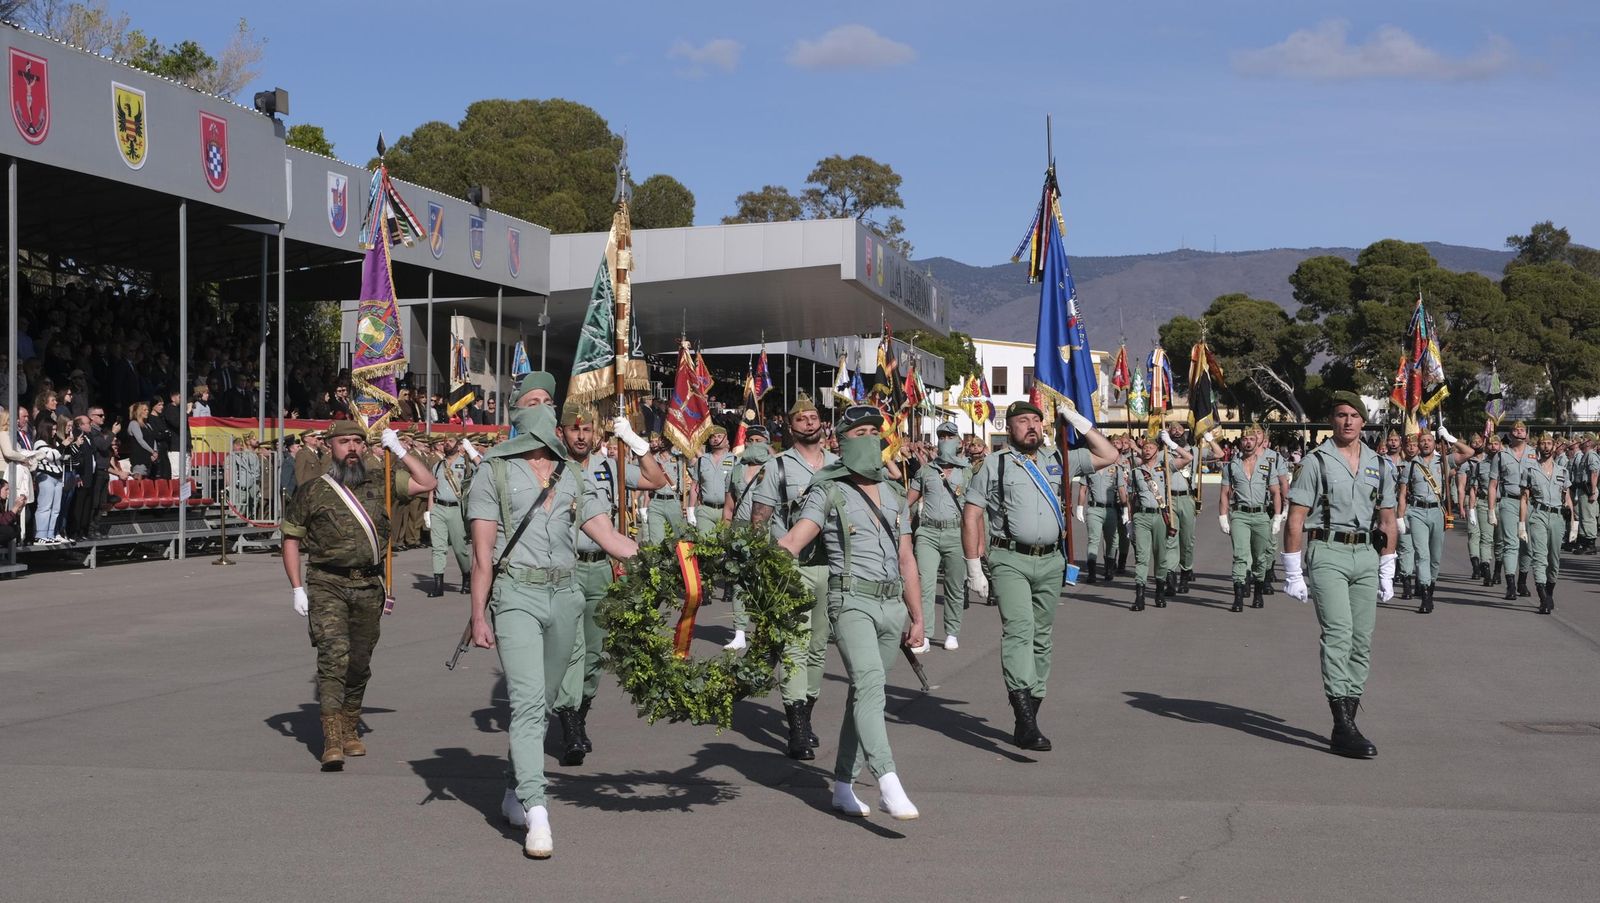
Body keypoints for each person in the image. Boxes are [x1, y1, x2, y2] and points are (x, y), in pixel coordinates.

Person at [465, 404, 639, 859]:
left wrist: (672, 560)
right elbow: (483, 554)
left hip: (566, 597)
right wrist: (478, 615)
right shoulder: (494, 471)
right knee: (525, 702)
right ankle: (537, 811)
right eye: (535, 405)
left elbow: (611, 538)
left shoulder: (572, 475)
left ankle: (512, 790)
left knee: (541, 705)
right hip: (516, 596)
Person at [778, 404, 923, 820]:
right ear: (840, 442)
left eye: (874, 432)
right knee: (871, 683)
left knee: (863, 694)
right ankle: (887, 779)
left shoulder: (896, 494)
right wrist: (757, 558)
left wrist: (917, 616)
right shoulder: (829, 490)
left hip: (891, 604)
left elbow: (906, 559)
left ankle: (842, 784)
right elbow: (795, 538)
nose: (869, 440)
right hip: (851, 601)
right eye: (858, 433)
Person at [962, 401, 1117, 751]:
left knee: (1042, 638)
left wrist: (1080, 423)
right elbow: (972, 514)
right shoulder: (994, 463)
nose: (1030, 426)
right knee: (1019, 630)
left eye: (1036, 420)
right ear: (1009, 427)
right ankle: (1026, 717)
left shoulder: (1059, 457)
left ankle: (1029, 712)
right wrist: (974, 565)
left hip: (1051, 561)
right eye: (1022, 421)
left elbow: (1108, 455)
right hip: (1010, 559)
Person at [281, 422, 437, 771]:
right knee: (333, 657)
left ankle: (350, 726)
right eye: (343, 442)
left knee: (359, 661)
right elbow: (291, 539)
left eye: (357, 441)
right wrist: (296, 587)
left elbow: (428, 483)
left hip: (368, 585)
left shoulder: (381, 483)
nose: (351, 447)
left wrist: (398, 450)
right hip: (327, 583)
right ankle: (332, 738)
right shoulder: (312, 491)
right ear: (330, 447)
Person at [1280, 391, 1397, 760]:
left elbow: (1388, 519)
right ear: (1332, 421)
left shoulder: (1380, 464)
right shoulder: (1316, 461)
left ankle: (1349, 714)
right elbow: (1296, 517)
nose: (1347, 421)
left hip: (1365, 552)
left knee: (1362, 639)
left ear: (1364, 421)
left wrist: (1387, 565)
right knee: (1339, 633)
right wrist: (1292, 569)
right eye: (1341, 415)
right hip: (1327, 550)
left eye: (1354, 415)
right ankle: (1341, 722)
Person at [551, 400, 665, 764]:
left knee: (595, 654)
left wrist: (635, 442)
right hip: (564, 568)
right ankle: (569, 722)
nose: (581, 436)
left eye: (587, 430)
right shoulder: (553, 468)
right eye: (574, 429)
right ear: (561, 432)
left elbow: (655, 480)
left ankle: (579, 715)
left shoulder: (609, 465)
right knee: (571, 649)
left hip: (601, 568)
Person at [751, 393, 837, 760]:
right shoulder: (778, 467)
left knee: (818, 647)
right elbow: (760, 517)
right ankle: (797, 726)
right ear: (790, 426)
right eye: (801, 419)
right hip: (791, 566)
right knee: (794, 647)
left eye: (814, 417)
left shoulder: (838, 465)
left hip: (828, 565)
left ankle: (807, 711)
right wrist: (759, 568)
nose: (809, 423)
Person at [906, 421, 970, 651]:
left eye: (949, 437)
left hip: (956, 533)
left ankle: (952, 631)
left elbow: (975, 509)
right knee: (924, 584)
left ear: (959, 442)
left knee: (954, 586)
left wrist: (978, 545)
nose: (945, 441)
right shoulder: (925, 470)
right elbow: (909, 501)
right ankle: (924, 633)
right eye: (941, 437)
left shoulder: (967, 471)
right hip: (928, 533)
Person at [1396, 426, 1473, 614]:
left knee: (1435, 557)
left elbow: (1469, 452)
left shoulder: (1444, 462)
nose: (1425, 443)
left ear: (1435, 443)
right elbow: (1403, 494)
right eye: (1422, 440)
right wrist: (1400, 517)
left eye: (1429, 440)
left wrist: (1450, 438)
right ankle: (1425, 594)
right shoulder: (1410, 465)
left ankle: (1430, 586)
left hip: (1437, 512)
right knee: (1422, 555)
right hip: (1417, 512)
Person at [1207, 424, 1284, 612]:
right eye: (1245, 439)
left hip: (1261, 515)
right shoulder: (1232, 465)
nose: (1248, 442)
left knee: (1260, 557)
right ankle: (1239, 596)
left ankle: (1258, 594)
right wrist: (1223, 517)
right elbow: (1225, 493)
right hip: (1240, 515)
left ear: (1257, 441)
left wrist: (1277, 517)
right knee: (1240, 556)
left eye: (1251, 439)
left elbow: (1276, 492)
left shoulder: (1268, 464)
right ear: (1240, 442)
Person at [1122, 433, 1188, 612]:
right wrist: (1128, 519)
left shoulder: (1166, 466)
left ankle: (1159, 593)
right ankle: (1140, 596)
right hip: (1142, 517)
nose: (1147, 450)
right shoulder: (1136, 472)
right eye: (1144, 447)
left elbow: (1187, 457)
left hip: (1161, 516)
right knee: (1142, 557)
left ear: (1158, 451)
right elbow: (1130, 498)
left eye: (1151, 447)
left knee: (1161, 556)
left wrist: (1171, 444)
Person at [721, 424, 771, 651]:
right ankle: (740, 631)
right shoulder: (737, 470)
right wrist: (725, 533)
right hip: (740, 530)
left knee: (765, 581)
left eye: (760, 440)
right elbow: (729, 506)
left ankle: (764, 629)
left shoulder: (774, 468)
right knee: (740, 582)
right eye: (751, 440)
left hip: (766, 530)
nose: (754, 444)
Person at [1519, 433, 1572, 615]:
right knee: (1540, 557)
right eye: (1543, 444)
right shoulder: (1530, 470)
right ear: (1538, 447)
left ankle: (1549, 592)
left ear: (1554, 446)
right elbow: (1524, 498)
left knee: (1554, 560)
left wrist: (1574, 522)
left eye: (1549, 443)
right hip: (1538, 515)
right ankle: (1543, 597)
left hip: (1557, 517)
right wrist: (1521, 523)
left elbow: (1568, 498)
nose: (1546, 447)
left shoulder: (1562, 471)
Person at [1488, 420, 1539, 600]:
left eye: (1522, 429)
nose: (1519, 432)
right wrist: (1491, 509)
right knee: (1511, 544)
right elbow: (1493, 484)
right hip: (1509, 502)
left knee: (1527, 546)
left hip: (1531, 503)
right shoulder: (1501, 456)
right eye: (1515, 430)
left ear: (1526, 433)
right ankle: (1510, 584)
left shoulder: (1536, 454)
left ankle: (1522, 582)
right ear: (1510, 435)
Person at [426, 434, 482, 597]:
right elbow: (432, 489)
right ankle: (438, 586)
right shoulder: (437, 466)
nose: (446, 444)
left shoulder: (466, 464)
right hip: (439, 508)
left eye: (450, 441)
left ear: (458, 445)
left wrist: (470, 451)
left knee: (459, 549)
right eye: (444, 442)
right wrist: (430, 511)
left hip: (457, 510)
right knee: (438, 548)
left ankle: (466, 577)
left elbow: (483, 467)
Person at [1075, 430, 1127, 585]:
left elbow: (1122, 489)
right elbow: (1083, 489)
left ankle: (1109, 568)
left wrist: (1125, 509)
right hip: (1094, 509)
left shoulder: (1116, 468)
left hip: (1111, 509)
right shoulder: (1090, 467)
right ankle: (1091, 572)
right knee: (1093, 540)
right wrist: (1079, 507)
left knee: (1112, 540)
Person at [1161, 420, 1201, 595]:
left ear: (1184, 432)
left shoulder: (1195, 451)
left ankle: (1186, 571)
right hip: (1170, 499)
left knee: (1187, 540)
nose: (1176, 432)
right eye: (1172, 430)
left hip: (1187, 498)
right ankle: (1171, 577)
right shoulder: (1163, 451)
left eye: (1179, 429)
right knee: (1171, 538)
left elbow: (1219, 453)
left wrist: (1209, 436)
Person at [689, 426, 734, 530]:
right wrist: (690, 510)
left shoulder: (735, 460)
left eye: (719, 436)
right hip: (705, 510)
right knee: (705, 544)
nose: (716, 439)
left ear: (726, 439)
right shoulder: (701, 460)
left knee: (724, 544)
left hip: (726, 511)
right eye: (713, 437)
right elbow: (695, 486)